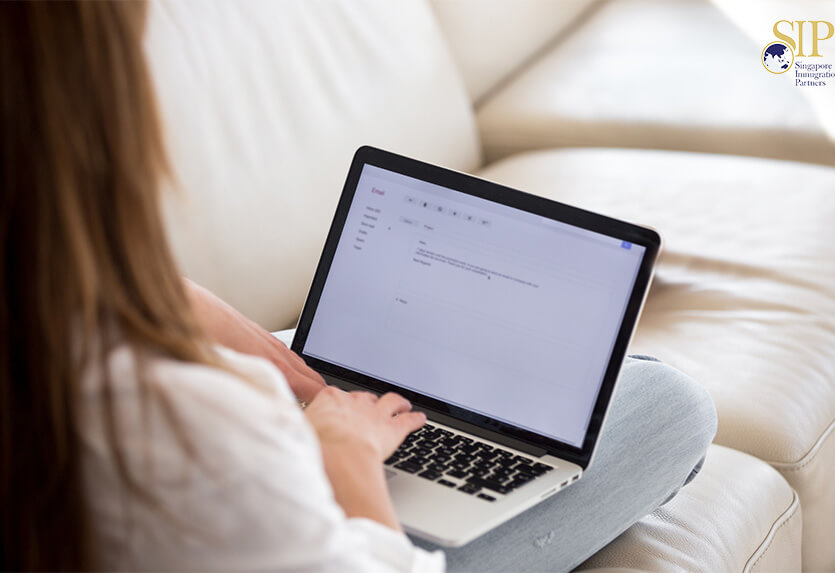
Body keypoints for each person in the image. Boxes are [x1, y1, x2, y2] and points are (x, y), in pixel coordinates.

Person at [0, 3, 717, 571]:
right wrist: (345, 460)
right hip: (312, 513)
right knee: (667, 400)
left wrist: (249, 347)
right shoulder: (189, 426)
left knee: (384, 387)